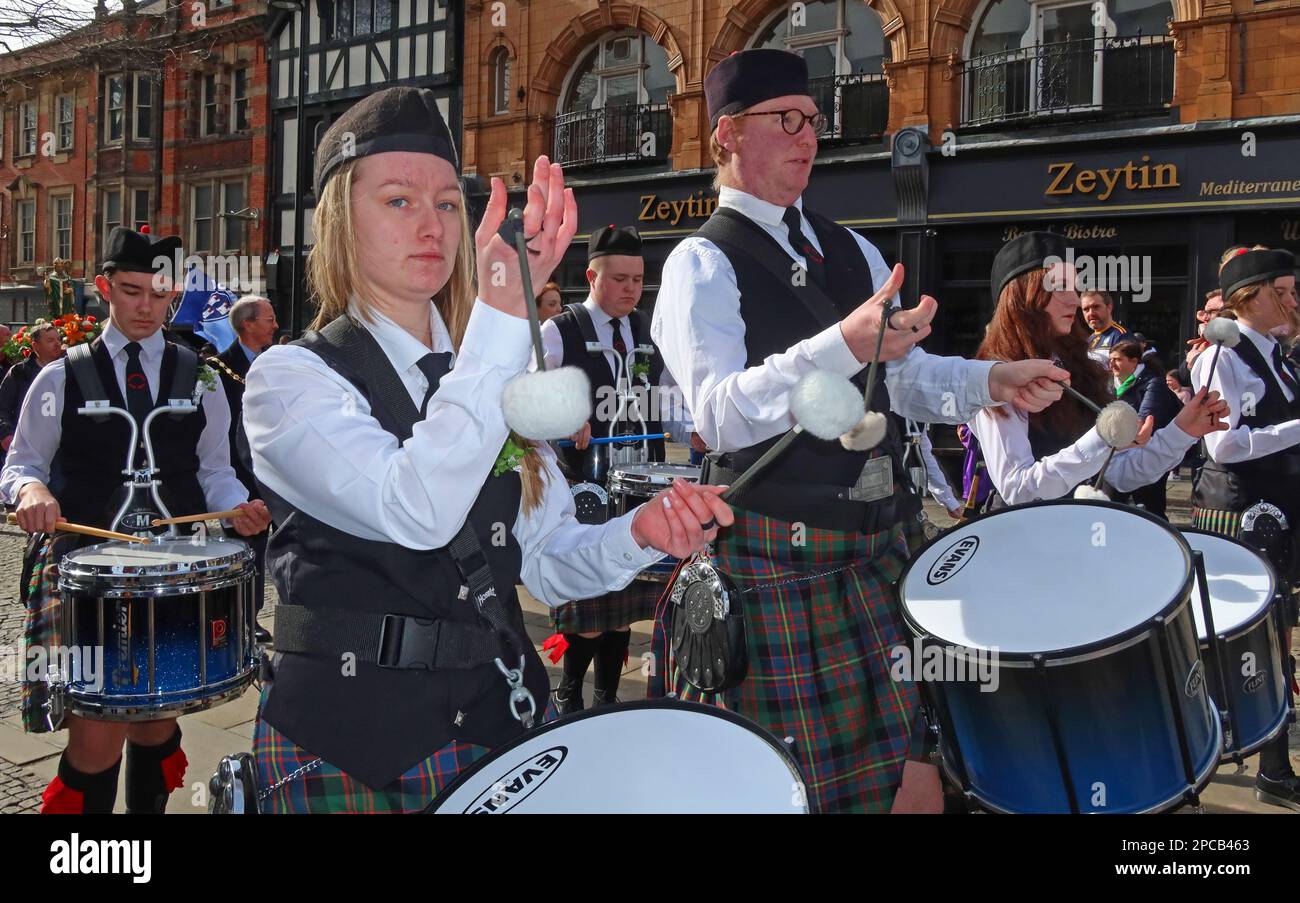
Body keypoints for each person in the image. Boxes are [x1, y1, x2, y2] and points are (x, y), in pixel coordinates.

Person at [239, 87, 731, 813]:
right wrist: (500, 324)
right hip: (348, 744)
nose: (432, 224)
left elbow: (550, 563)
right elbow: (416, 509)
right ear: (341, 219)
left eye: (446, 203)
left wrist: (638, 533)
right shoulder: (289, 379)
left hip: (501, 727)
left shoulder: (497, 368)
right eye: (399, 200)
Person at [649, 49, 1070, 813]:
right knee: (793, 794)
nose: (807, 136)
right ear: (727, 136)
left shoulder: (853, 247)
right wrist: (842, 342)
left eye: (812, 120)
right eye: (785, 121)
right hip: (780, 560)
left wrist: (988, 381)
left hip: (882, 550)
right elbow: (719, 413)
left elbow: (900, 380)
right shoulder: (699, 262)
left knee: (914, 785)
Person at [0, 226, 271, 814]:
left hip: (171, 574)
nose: (146, 306)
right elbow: (22, 463)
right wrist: (32, 491)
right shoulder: (60, 376)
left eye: (159, 292)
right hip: (86, 576)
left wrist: (237, 509)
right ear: (104, 289)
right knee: (96, 738)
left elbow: (216, 472)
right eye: (131, 291)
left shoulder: (200, 377)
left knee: (154, 723)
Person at [538, 225, 691, 711]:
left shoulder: (648, 331)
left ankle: (605, 699)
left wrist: (696, 431)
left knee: (624, 610)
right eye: (620, 278)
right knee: (589, 607)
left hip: (640, 485)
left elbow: (669, 402)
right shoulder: (558, 331)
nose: (630, 289)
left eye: (638, 280)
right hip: (585, 487)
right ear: (592, 275)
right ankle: (568, 694)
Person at [969, 232, 1228, 509]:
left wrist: (1182, 430)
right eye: (1059, 287)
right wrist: (1103, 437)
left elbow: (1119, 475)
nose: (1073, 300)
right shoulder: (997, 376)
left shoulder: (1079, 367)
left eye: (1075, 288)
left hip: (1085, 534)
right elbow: (1018, 489)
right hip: (1026, 540)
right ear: (1021, 296)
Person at [1190, 245, 1300, 810]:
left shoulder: (1280, 355)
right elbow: (1221, 443)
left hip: (1277, 512)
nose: (1294, 299)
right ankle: (1206, 756)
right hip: (1239, 512)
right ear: (1250, 296)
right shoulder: (1220, 357)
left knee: (1278, 640)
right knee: (1232, 642)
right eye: (1284, 290)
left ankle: (1273, 767)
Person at [207, 295, 278, 643]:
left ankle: (250, 616)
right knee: (239, 552)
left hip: (270, 475)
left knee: (262, 552)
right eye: (269, 319)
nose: (276, 326)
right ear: (247, 324)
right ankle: (231, 620)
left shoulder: (276, 364)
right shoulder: (217, 370)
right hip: (234, 476)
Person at [1108, 339, 1182, 518]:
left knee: (1151, 510)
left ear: (1134, 362)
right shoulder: (1110, 384)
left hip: (1149, 453)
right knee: (1111, 507)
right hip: (1118, 453)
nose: (1112, 364)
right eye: (1110, 359)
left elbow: (1143, 423)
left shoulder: (1153, 383)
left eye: (1117, 359)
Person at [0, 323, 65, 452]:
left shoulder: (68, 369)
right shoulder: (19, 372)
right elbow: (2, 408)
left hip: (62, 446)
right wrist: (7, 436)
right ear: (35, 346)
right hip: (26, 445)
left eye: (59, 339)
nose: (57, 344)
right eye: (50, 340)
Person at [1082, 290, 1127, 364]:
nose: (1091, 313)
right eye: (1086, 309)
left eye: (1096, 307)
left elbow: (1125, 372)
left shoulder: (1121, 335)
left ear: (1109, 307)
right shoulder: (1090, 339)